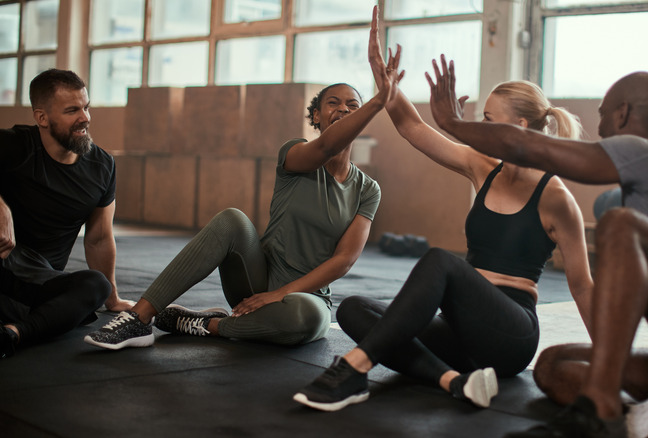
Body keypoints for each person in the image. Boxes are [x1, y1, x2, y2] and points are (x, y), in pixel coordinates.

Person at [426, 59, 648, 437]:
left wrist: (452, 123)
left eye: (603, 114)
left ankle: (599, 409)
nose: (598, 127)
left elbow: (528, 148)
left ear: (623, 113)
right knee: (553, 366)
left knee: (619, 224)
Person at [293, 11, 594, 413]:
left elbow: (584, 287)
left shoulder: (555, 197)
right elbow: (412, 127)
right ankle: (454, 381)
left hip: (510, 336)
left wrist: (611, 366)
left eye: (488, 120)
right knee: (354, 309)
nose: (477, 128)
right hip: (459, 331)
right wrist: (383, 81)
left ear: (519, 126)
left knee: (441, 262)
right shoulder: (482, 166)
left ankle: (352, 369)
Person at [83, 8, 391, 351]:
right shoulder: (296, 154)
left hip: (304, 296)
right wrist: (377, 101)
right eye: (333, 103)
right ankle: (139, 318)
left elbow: (344, 260)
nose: (344, 110)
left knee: (309, 321)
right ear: (316, 115)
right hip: (255, 278)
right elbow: (328, 146)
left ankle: (205, 324)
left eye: (354, 105)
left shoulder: (367, 189)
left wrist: (281, 294)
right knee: (232, 219)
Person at [0, 69, 134, 359]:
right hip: (2, 263)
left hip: (39, 283)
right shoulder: (15, 145)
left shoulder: (102, 166)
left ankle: (13, 334)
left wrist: (112, 299)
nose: (85, 117)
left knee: (94, 285)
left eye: (86, 107)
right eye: (72, 110)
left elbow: (98, 238)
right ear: (42, 118)